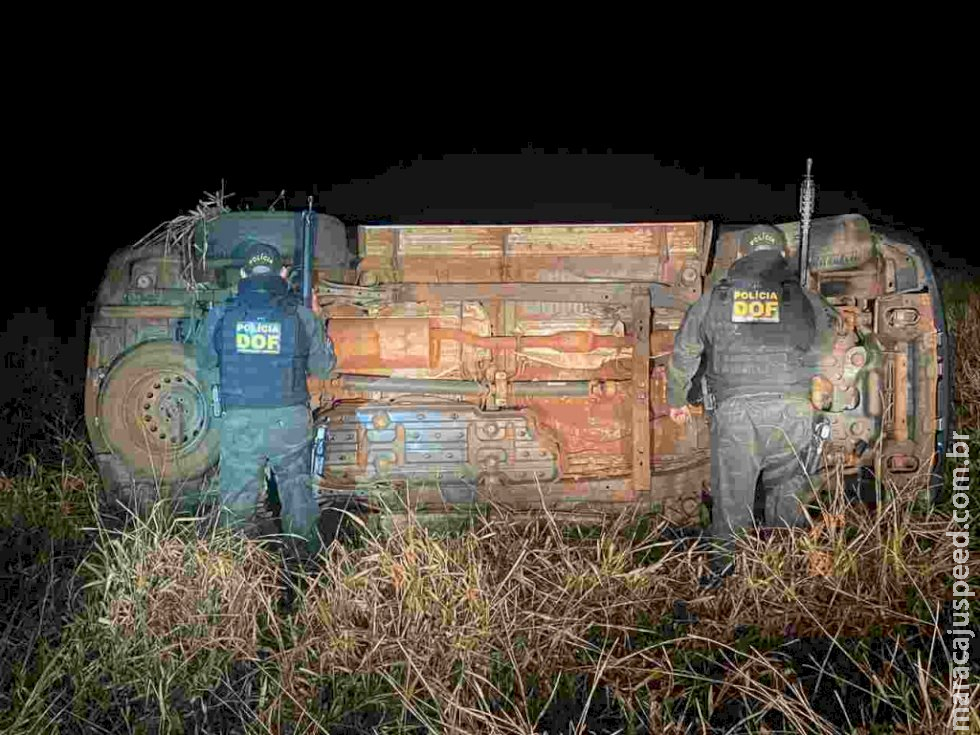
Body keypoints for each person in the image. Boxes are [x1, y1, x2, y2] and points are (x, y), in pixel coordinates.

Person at [667, 224, 836, 588]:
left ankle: (724, 581)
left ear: (742, 255)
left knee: (732, 502)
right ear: (782, 255)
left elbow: (684, 352)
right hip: (795, 412)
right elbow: (826, 345)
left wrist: (677, 399)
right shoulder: (804, 297)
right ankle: (787, 580)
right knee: (790, 497)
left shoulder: (716, 297)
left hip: (737, 414)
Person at [196, 240, 336, 558]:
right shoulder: (301, 315)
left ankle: (234, 578)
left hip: (240, 420)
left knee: (236, 504)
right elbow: (324, 368)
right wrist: (318, 317)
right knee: (297, 495)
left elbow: (204, 364)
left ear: (244, 273)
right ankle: (304, 576)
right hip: (290, 420)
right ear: (283, 273)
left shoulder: (221, 315)